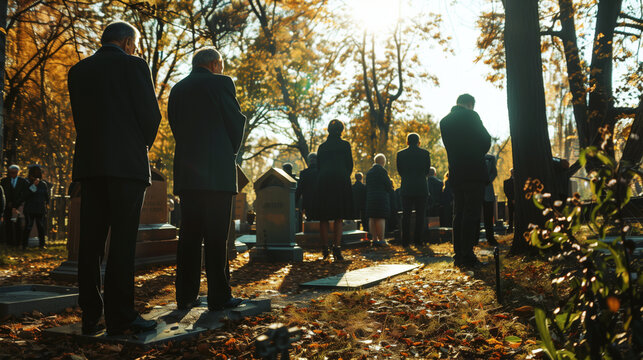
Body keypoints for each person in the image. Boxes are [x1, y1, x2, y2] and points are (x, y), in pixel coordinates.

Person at [68, 21, 161, 335]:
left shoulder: (78, 71)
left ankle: (90, 315)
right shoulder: (134, 66)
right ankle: (121, 316)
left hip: (91, 166)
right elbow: (151, 116)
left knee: (90, 243)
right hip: (127, 168)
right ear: (125, 41)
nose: (134, 49)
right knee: (122, 243)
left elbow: (82, 119)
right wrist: (137, 145)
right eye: (133, 44)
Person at [168, 47, 247, 312]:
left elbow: (175, 126)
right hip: (216, 173)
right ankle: (219, 296)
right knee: (216, 236)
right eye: (221, 66)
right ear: (215, 64)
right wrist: (229, 152)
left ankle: (185, 296)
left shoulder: (177, 89)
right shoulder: (220, 83)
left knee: (188, 235)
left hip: (189, 173)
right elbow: (235, 122)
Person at [440, 94, 491, 268]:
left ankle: (458, 255)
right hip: (474, 171)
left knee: (459, 213)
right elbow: (486, 140)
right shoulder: (471, 115)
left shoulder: (445, 121)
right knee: (471, 213)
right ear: (470, 104)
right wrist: (477, 152)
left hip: (456, 172)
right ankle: (468, 256)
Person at [316, 119, 353, 261]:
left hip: (324, 181)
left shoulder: (322, 147)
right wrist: (343, 175)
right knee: (339, 215)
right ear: (341, 130)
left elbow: (318, 165)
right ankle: (337, 248)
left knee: (323, 216)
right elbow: (349, 164)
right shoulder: (345, 145)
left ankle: (324, 248)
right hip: (340, 180)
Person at [396, 133, 431, 247]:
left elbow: (400, 171)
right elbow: (427, 171)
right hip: (421, 187)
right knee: (421, 215)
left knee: (406, 215)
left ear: (407, 142)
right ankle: (418, 240)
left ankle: (405, 241)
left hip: (407, 187)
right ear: (418, 142)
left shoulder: (400, 154)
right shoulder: (425, 153)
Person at [366, 154, 394, 246]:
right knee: (380, 217)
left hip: (370, 197)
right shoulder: (382, 171)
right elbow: (387, 185)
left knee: (372, 217)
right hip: (380, 197)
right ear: (383, 162)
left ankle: (374, 239)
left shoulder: (369, 172)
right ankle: (381, 239)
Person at [23, 166, 49, 249]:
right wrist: (34, 185)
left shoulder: (43, 184)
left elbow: (46, 196)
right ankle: (24, 245)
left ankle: (42, 245)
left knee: (41, 226)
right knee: (28, 226)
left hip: (40, 208)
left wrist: (47, 205)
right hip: (30, 208)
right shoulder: (27, 183)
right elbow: (25, 195)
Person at [1, 165, 27, 246]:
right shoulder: (4, 181)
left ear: (18, 172)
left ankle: (18, 242)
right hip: (7, 206)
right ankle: (9, 242)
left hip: (18, 206)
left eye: (15, 172)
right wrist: (8, 203)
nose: (13, 174)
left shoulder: (23, 182)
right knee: (8, 224)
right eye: (11, 172)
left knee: (18, 225)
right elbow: (3, 193)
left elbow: (24, 194)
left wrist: (16, 205)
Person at [480, 154, 499, 246]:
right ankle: (474, 238)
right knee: (474, 216)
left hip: (488, 189)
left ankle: (490, 237)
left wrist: (488, 181)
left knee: (489, 216)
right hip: (475, 190)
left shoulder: (490, 158)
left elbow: (494, 172)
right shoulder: (472, 156)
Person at [296, 153, 320, 222]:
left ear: (309, 161)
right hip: (320, 202)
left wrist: (295, 202)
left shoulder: (304, 173)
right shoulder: (321, 172)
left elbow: (299, 189)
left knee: (309, 222)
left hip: (308, 203)